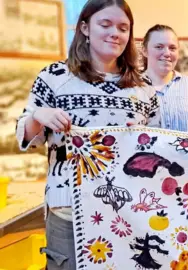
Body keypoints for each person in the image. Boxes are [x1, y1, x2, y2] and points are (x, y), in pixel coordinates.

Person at [15, 0, 157, 269]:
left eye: (123, 28)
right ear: (85, 28)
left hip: (127, 210)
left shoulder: (143, 85)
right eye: (105, 24)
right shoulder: (54, 76)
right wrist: (38, 116)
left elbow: (155, 147)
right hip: (69, 210)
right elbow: (25, 135)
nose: (115, 33)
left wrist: (139, 138)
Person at [142, 24, 188, 133]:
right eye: (159, 47)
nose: (167, 53)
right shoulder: (132, 86)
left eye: (172, 48)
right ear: (145, 50)